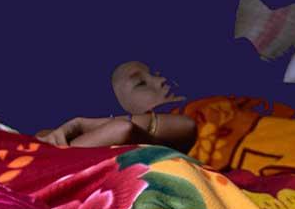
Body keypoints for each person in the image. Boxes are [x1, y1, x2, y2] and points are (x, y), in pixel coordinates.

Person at [35, 61, 198, 151]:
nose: (161, 80)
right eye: (141, 83)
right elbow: (121, 129)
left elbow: (187, 126)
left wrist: (81, 124)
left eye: (157, 73)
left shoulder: (202, 112)